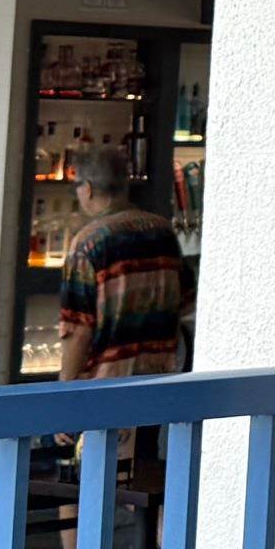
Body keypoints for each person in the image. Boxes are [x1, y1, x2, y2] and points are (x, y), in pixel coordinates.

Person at [59, 144, 195, 384]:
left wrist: (65, 386)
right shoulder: (163, 231)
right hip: (162, 379)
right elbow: (186, 304)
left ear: (87, 189)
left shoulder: (88, 243)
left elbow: (78, 330)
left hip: (107, 386)